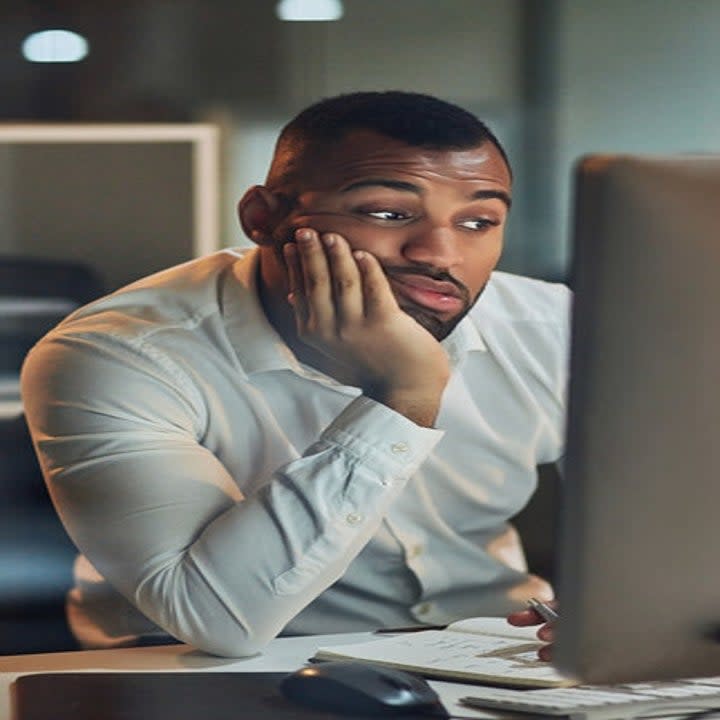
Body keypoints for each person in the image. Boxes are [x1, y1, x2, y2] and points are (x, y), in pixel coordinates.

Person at [21, 91, 569, 657]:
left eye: (478, 221)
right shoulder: (117, 352)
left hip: (494, 653)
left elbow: (662, 528)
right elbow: (216, 620)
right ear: (264, 218)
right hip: (203, 676)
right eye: (387, 214)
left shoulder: (554, 327)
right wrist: (404, 396)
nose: (440, 253)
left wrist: (626, 611)